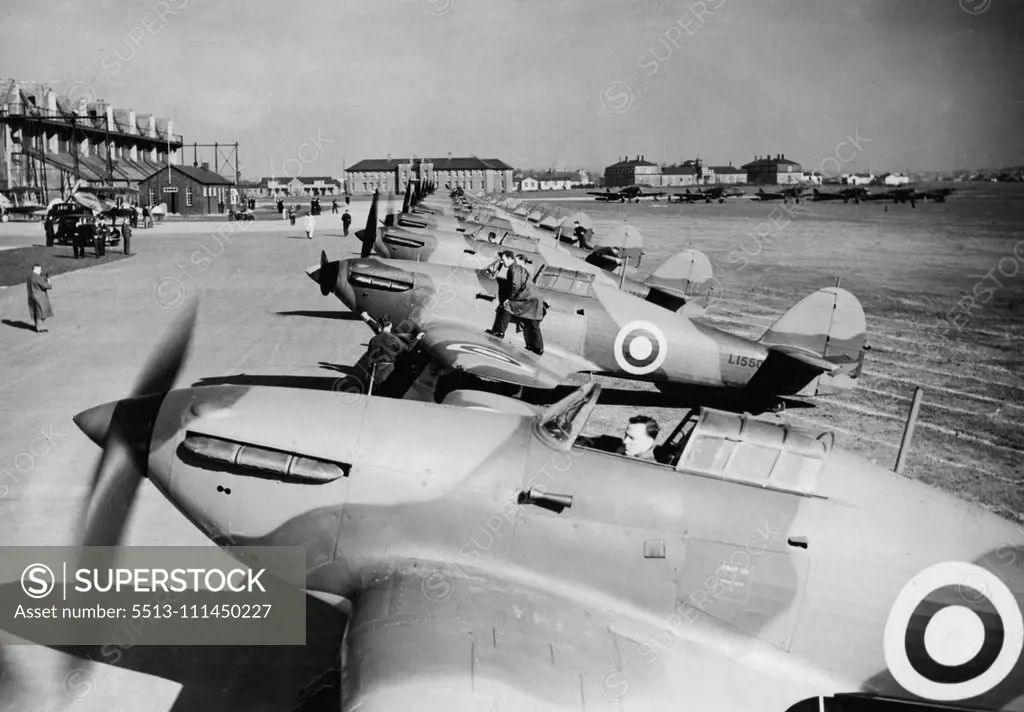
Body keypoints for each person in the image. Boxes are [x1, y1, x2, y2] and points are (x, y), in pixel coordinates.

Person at [485, 251, 545, 356]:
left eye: (503, 259)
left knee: (508, 308)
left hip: (530, 299)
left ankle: (499, 332)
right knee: (531, 322)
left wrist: (509, 298)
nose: (502, 262)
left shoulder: (514, 269)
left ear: (510, 258)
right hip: (531, 298)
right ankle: (536, 347)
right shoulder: (516, 269)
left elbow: (515, 286)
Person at [363, 314, 424, 395]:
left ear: (379, 326)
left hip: (375, 371)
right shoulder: (394, 339)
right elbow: (408, 350)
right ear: (390, 325)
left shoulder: (373, 339)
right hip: (389, 372)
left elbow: (369, 356)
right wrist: (417, 338)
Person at [26, 264, 53, 333]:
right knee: (41, 312)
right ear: (36, 269)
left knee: (36, 311)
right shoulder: (36, 277)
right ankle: (39, 328)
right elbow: (45, 286)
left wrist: (43, 279)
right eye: (39, 269)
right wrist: (48, 281)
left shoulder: (30, 276)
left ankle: (37, 326)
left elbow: (37, 283)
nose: (40, 271)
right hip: (39, 297)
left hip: (31, 296)